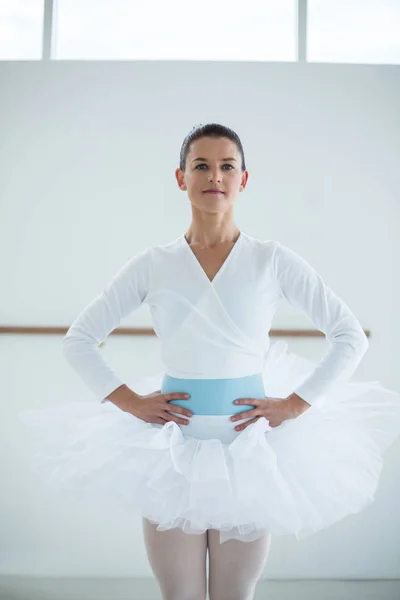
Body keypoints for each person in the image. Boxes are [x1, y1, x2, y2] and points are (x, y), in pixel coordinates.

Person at [19, 123, 400, 600]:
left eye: (227, 166)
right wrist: (131, 402)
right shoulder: (154, 264)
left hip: (249, 451)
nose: (214, 176)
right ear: (181, 178)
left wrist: (297, 405)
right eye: (201, 165)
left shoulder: (271, 260)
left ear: (244, 179)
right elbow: (79, 340)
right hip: (172, 451)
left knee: (234, 595)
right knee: (179, 596)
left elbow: (348, 336)